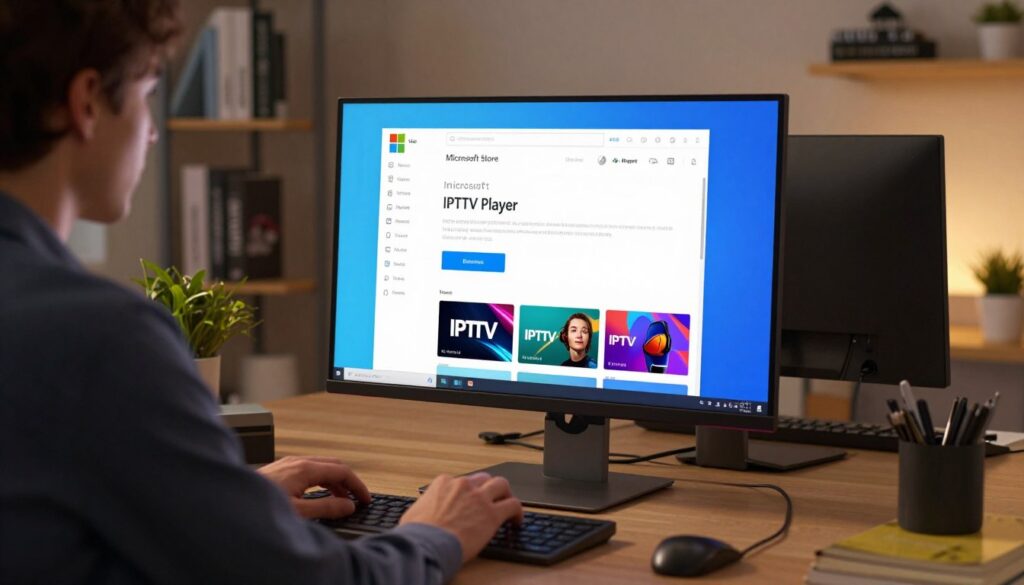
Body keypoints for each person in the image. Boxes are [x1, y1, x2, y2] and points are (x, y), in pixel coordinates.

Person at [0, 2, 521, 584]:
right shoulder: (100, 338)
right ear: (88, 101)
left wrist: (222, 502)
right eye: (147, 94)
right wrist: (437, 533)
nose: (150, 131)